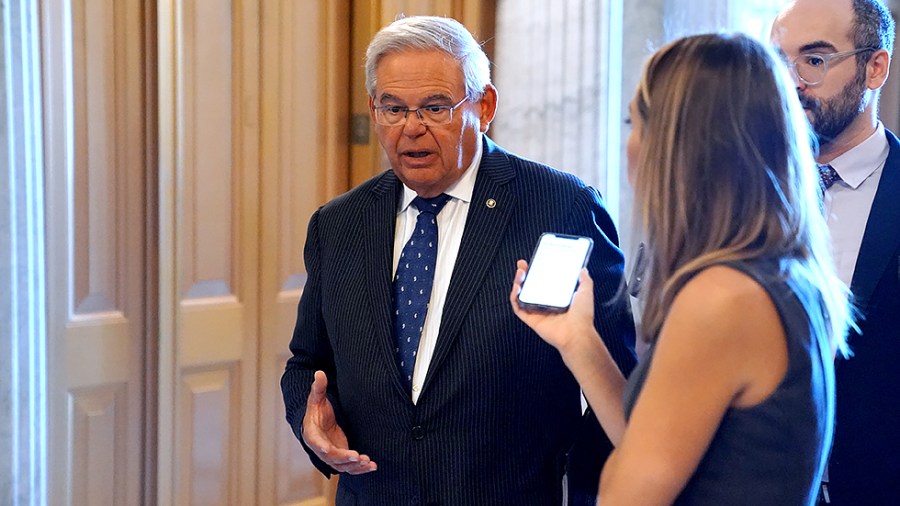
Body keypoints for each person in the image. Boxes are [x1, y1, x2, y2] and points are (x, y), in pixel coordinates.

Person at [280, 15, 636, 505]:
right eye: (393, 108)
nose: (411, 128)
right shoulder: (338, 224)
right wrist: (312, 423)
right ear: (373, 108)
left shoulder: (561, 207)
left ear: (484, 106)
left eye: (435, 107)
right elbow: (307, 363)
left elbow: (616, 378)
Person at [511, 33, 853, 505]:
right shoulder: (775, 275)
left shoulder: (723, 297)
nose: (629, 143)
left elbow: (626, 496)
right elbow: (657, 444)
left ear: (676, 144)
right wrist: (579, 339)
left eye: (635, 121)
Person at [771, 0, 900, 503]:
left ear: (875, 67)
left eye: (815, 60)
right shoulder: (739, 191)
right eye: (779, 61)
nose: (793, 81)